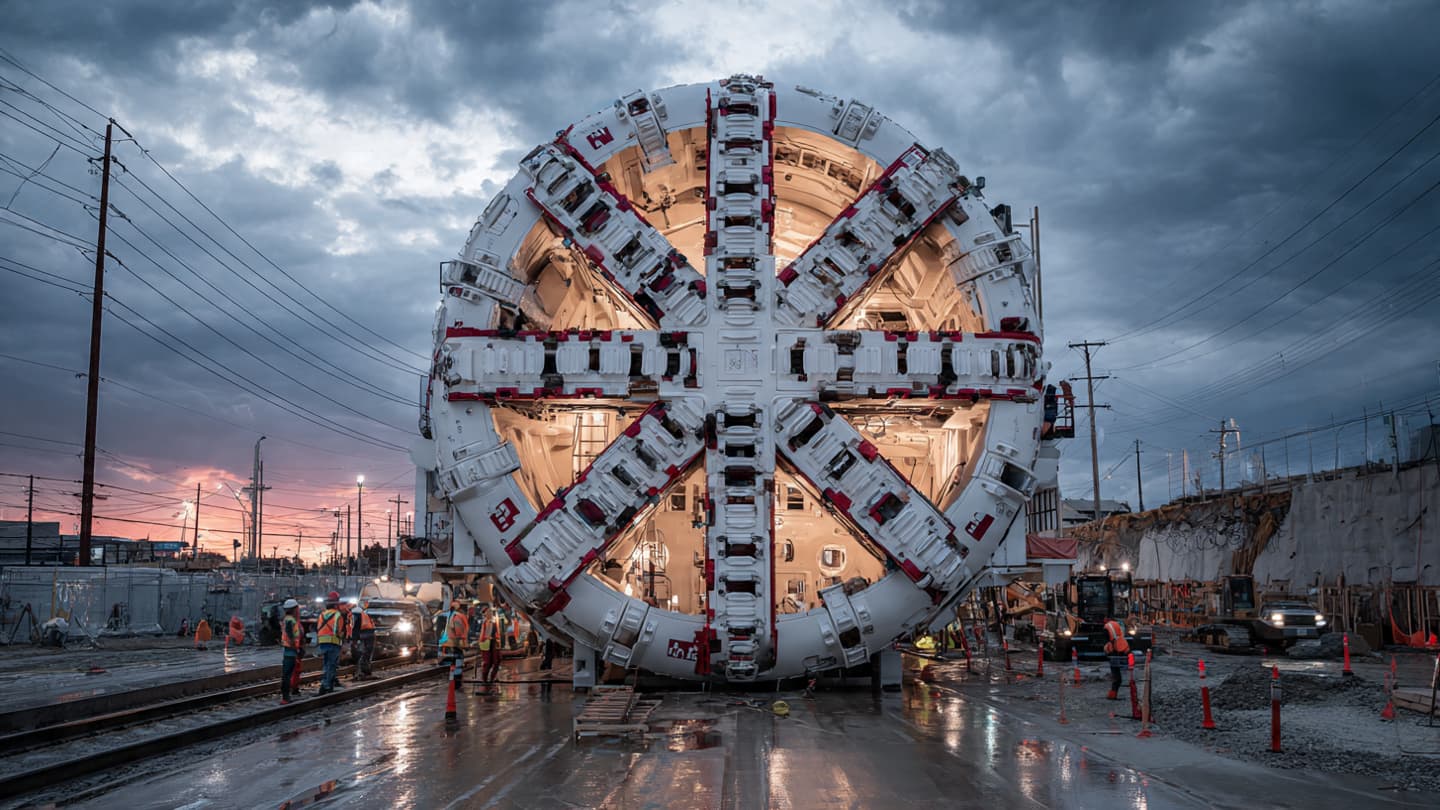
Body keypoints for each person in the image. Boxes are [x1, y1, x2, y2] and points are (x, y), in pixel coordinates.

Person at [316, 592, 347, 694]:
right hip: (333, 642)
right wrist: (343, 642)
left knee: (326, 664)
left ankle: (328, 683)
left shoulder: (322, 614)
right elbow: (339, 631)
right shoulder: (338, 615)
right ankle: (326, 686)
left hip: (322, 642)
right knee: (331, 664)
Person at [438, 597, 470, 687]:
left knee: (451, 665)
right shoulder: (457, 617)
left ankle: (452, 681)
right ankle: (456, 683)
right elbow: (460, 632)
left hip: (445, 644)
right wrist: (465, 644)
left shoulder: (443, 615)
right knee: (458, 664)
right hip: (455, 645)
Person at [279, 599, 304, 704]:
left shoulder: (287, 619)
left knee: (287, 674)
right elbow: (291, 636)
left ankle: (286, 696)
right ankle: (285, 697)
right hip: (290, 650)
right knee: (287, 675)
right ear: (294, 609)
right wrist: (297, 648)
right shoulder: (290, 620)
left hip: (288, 650)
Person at [1102, 614, 1131, 700]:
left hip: (1115, 652)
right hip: (1124, 648)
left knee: (1116, 676)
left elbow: (1107, 641)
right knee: (1117, 676)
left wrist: (1106, 652)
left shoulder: (1107, 627)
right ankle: (1113, 693)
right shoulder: (1117, 624)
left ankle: (1112, 694)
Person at [351, 600, 377, 680]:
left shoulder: (359, 613)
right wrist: (354, 639)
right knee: (365, 655)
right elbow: (356, 627)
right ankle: (363, 672)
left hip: (365, 635)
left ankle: (363, 672)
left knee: (363, 654)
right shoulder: (360, 613)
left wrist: (354, 639)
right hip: (366, 635)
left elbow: (355, 627)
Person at [479, 607, 503, 684]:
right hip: (487, 644)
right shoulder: (486, 622)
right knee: (487, 663)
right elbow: (484, 635)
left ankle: (491, 678)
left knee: (497, 661)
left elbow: (497, 632)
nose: (489, 613)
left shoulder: (493, 621)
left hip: (493, 643)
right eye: (487, 612)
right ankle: (485, 679)